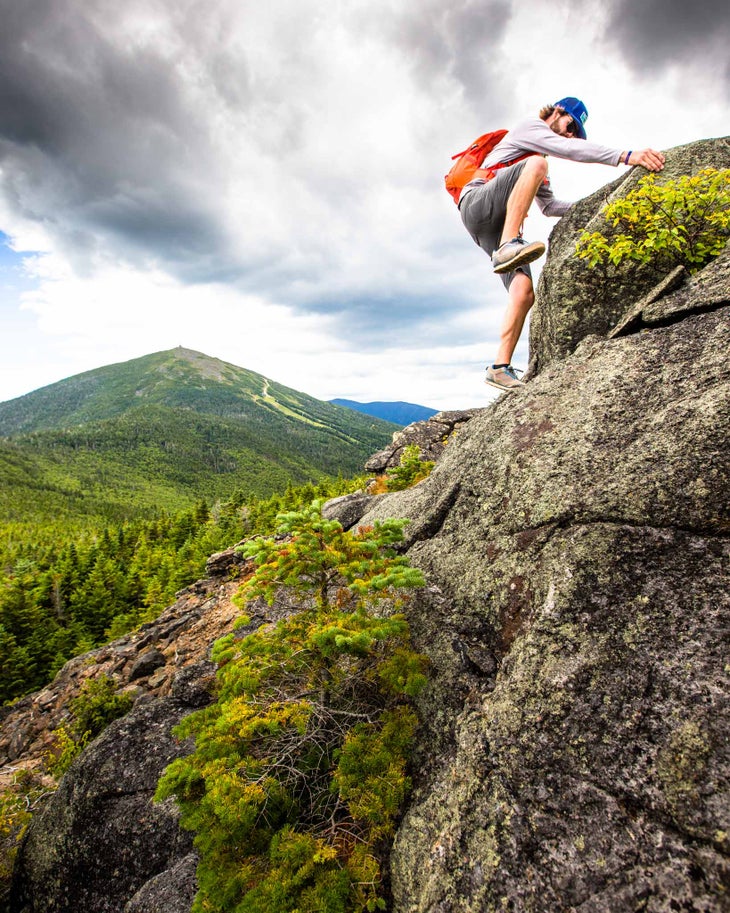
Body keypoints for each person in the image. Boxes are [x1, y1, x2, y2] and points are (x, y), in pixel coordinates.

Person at [457, 97, 666, 392]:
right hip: (478, 201)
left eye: (575, 132)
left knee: (524, 292)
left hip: (492, 222)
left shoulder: (535, 164)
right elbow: (568, 150)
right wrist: (626, 155)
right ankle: (508, 244)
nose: (570, 134)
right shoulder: (530, 130)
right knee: (538, 162)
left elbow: (550, 207)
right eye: (571, 126)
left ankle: (499, 368)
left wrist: (600, 205)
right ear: (558, 112)